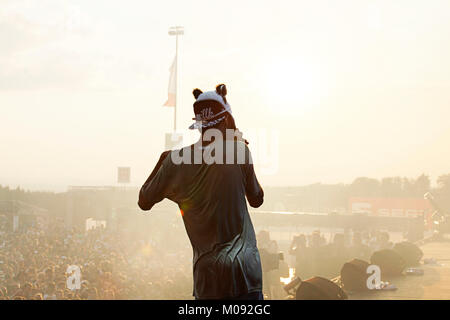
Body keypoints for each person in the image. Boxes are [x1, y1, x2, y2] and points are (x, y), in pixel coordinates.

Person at [138, 84, 264, 300]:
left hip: (208, 278)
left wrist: (162, 159)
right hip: (245, 274)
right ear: (226, 120)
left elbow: (144, 201)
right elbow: (257, 199)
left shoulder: (175, 160)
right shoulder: (239, 151)